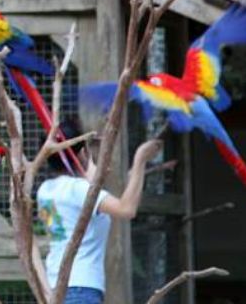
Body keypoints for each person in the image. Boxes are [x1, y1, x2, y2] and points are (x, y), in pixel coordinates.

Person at [36, 119, 163, 304]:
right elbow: (126, 209)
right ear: (82, 153)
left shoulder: (45, 190)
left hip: (54, 286)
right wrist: (140, 159)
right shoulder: (78, 189)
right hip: (81, 288)